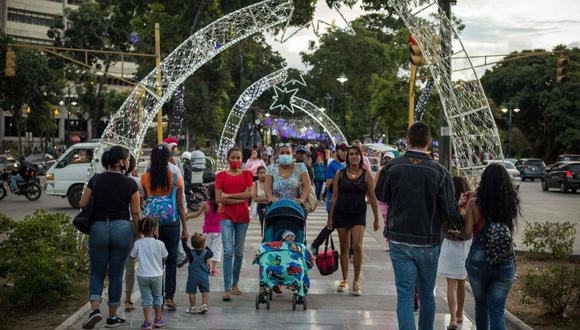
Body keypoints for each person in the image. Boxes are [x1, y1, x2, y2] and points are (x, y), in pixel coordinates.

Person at [375, 122, 462, 330]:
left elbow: (381, 195)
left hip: (399, 238)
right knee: (426, 293)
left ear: (408, 139)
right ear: (428, 141)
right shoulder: (440, 171)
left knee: (404, 295)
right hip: (428, 240)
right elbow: (449, 210)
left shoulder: (392, 167)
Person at [79, 146, 141, 329]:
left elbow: (83, 203)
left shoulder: (96, 180)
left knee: (97, 272)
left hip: (98, 228)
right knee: (115, 274)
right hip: (122, 228)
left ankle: (95, 309)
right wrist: (138, 233)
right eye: (128, 159)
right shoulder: (131, 184)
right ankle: (112, 316)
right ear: (121, 162)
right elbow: (136, 212)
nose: (129, 162)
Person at [460, 164, 519, 330]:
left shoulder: (474, 203)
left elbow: (467, 233)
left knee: (481, 305)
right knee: (497, 310)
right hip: (504, 260)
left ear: (484, 181)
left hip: (479, 261)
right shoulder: (510, 201)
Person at [327, 145, 380, 296]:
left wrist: (377, 218)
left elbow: (372, 197)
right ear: (347, 157)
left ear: (361, 157)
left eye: (357, 154)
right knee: (344, 248)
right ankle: (345, 280)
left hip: (358, 214)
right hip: (341, 213)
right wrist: (330, 217)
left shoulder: (366, 174)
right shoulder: (339, 173)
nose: (354, 157)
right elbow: (335, 196)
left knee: (357, 246)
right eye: (351, 154)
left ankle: (356, 281)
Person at [141, 144, 188, 311]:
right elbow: (181, 204)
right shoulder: (176, 177)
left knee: (156, 261)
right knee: (172, 260)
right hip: (172, 222)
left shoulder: (145, 177)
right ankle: (169, 296)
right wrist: (185, 228)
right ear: (169, 157)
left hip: (153, 225)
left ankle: (157, 298)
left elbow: (144, 200)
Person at [215, 147, 253, 301]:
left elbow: (249, 194)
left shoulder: (247, 174)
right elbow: (218, 199)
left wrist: (228, 196)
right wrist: (239, 198)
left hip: (243, 217)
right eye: (233, 157)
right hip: (226, 216)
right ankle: (227, 288)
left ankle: (235, 283)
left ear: (242, 159)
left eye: (238, 157)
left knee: (238, 252)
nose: (236, 160)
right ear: (228, 158)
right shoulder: (221, 176)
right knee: (228, 251)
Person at [438, 176, 472, 330]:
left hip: (450, 245)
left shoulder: (447, 203)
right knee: (461, 283)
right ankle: (459, 314)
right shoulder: (470, 203)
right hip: (465, 245)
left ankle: (452, 319)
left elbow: (442, 224)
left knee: (450, 284)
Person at [129, 217, 168, 330]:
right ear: (155, 230)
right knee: (157, 297)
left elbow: (132, 256)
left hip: (143, 276)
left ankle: (147, 322)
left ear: (140, 230)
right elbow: (165, 256)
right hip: (157, 275)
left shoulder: (138, 243)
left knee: (146, 299)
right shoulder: (160, 244)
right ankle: (158, 319)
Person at [309, 142, 348, 254]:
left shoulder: (344, 165)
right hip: (334, 201)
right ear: (336, 151)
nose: (345, 153)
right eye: (342, 150)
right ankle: (315, 244)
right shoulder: (332, 165)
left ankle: (316, 244)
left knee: (339, 225)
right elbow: (329, 185)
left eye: (346, 151)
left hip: (344, 202)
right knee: (333, 225)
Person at [124, 155, 145, 312]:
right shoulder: (136, 182)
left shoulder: (102, 180)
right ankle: (128, 298)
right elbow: (138, 209)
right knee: (131, 262)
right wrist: (139, 230)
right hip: (131, 224)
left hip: (110, 225)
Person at [187, 184, 222, 276]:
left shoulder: (205, 204)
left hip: (207, 231)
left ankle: (208, 267)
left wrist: (188, 217)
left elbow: (196, 214)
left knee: (206, 250)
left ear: (208, 192)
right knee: (216, 251)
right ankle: (213, 269)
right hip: (218, 231)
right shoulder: (220, 204)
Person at [183, 233, 213, 314]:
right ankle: (204, 305)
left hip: (193, 277)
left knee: (192, 292)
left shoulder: (190, 253)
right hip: (204, 277)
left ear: (192, 244)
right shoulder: (206, 253)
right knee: (205, 291)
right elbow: (212, 254)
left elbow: (185, 247)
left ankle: (193, 307)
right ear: (203, 244)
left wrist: (183, 240)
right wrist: (207, 247)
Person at [375, 152, 395, 251]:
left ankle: (392, 241)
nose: (388, 160)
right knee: (387, 220)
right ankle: (388, 242)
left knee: (392, 220)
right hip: (383, 199)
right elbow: (375, 182)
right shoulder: (381, 170)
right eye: (386, 158)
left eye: (390, 158)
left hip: (393, 199)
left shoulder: (396, 170)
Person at [252, 166, 269, 233]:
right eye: (260, 173)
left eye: (264, 173)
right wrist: (267, 198)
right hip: (261, 207)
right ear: (257, 174)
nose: (262, 174)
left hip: (270, 206)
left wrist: (267, 199)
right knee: (263, 224)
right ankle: (264, 239)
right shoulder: (255, 184)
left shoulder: (270, 183)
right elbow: (254, 198)